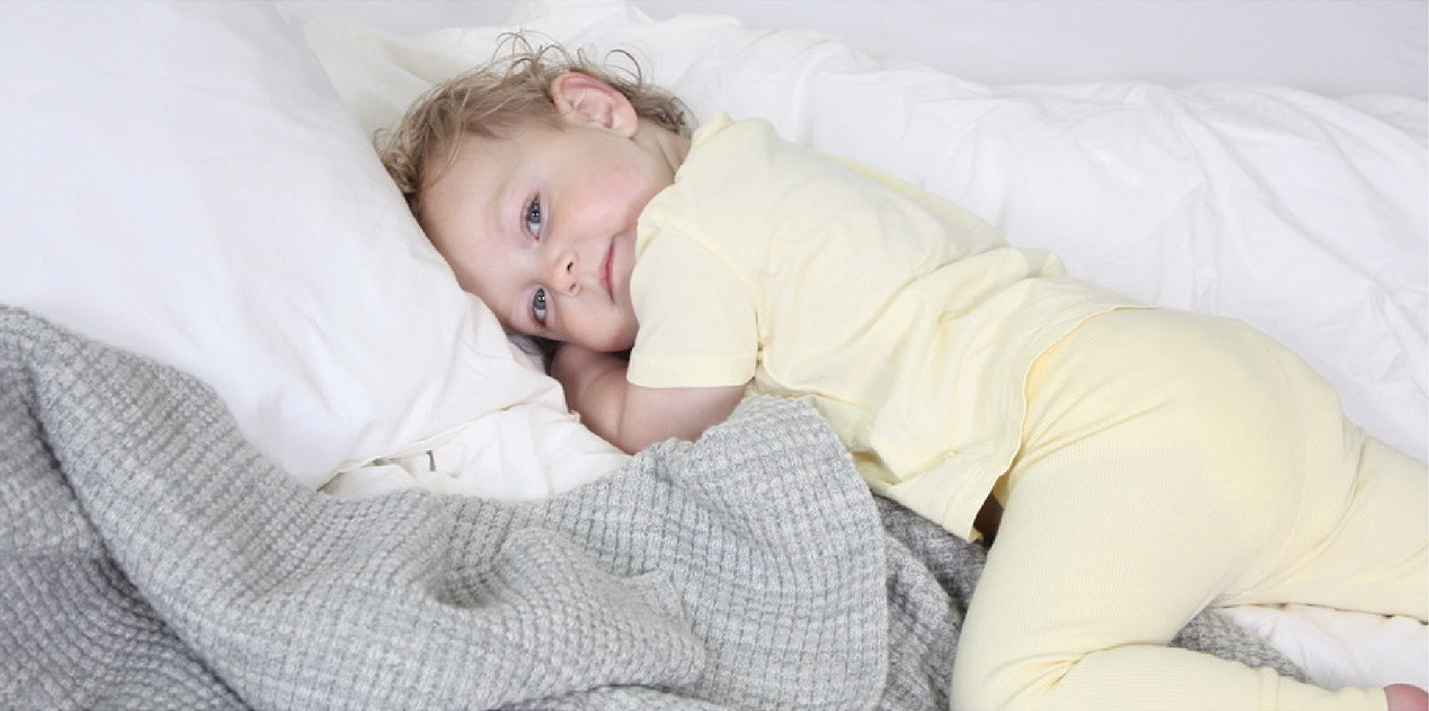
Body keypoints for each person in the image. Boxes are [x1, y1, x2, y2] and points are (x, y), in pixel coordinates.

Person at [379, 38, 1428, 711]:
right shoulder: (771, 167)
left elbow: (668, 417)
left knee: (1018, 687)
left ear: (597, 107)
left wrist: (575, 369)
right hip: (1217, 378)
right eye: (536, 304)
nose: (560, 268)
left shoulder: (692, 236)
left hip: (1113, 427)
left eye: (535, 215)